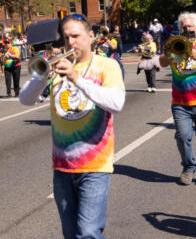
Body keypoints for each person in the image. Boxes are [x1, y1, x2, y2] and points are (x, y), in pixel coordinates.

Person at [20, 14, 125, 238]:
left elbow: (116, 103)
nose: (71, 42)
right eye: (66, 37)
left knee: (87, 232)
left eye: (76, 36)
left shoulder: (107, 65)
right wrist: (42, 75)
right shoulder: (57, 68)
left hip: (95, 165)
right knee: (70, 233)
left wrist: (77, 78)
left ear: (90, 37)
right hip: (62, 165)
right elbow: (25, 100)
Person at [159, 11, 196, 186]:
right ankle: (188, 167)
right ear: (180, 28)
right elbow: (162, 63)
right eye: (184, 27)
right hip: (180, 103)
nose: (187, 29)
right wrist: (171, 52)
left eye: (190, 26)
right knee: (182, 136)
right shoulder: (174, 43)